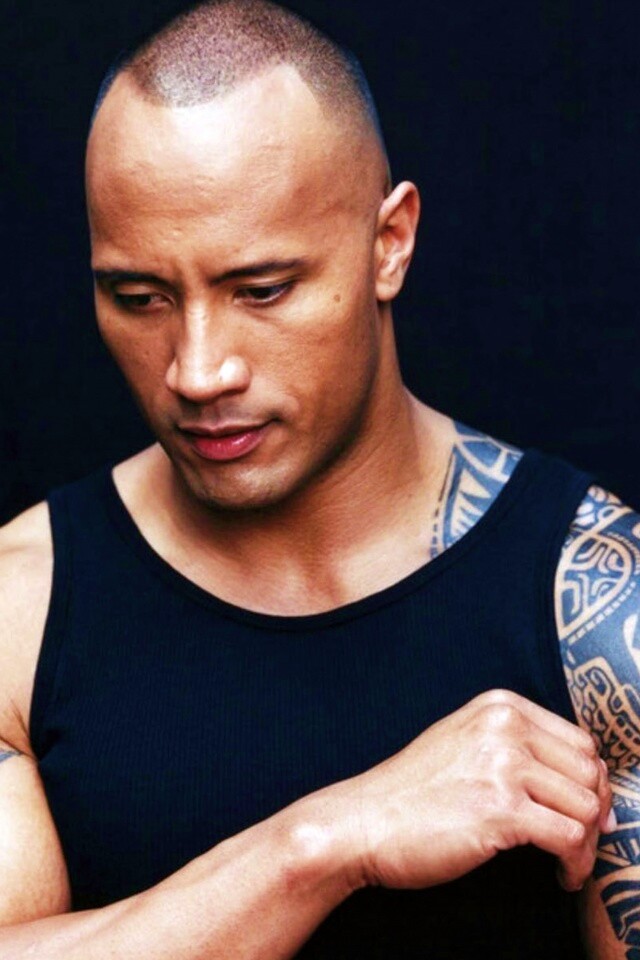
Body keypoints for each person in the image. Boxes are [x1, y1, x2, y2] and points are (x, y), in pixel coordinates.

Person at [0, 1, 638, 956]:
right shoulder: (18, 611)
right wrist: (323, 845)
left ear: (391, 243)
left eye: (261, 289)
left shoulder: (600, 609)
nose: (197, 371)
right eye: (139, 297)